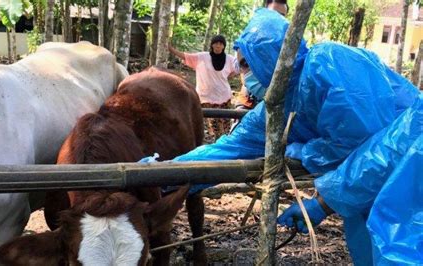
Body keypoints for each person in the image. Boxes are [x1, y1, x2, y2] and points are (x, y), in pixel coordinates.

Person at [171, 8, 422, 265]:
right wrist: (164, 172)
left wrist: (310, 166)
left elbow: (367, 147)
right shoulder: (275, 107)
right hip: (362, 192)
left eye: (247, 64)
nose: (245, 76)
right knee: (374, 250)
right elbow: (229, 149)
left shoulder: (329, 65)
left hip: (407, 176)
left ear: (269, 57)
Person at [169, 35, 239, 141]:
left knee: (225, 127)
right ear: (212, 45)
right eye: (216, 43)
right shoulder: (202, 57)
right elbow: (186, 56)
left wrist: (230, 76)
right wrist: (171, 49)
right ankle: (214, 147)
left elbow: (239, 68)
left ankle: (222, 148)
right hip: (206, 98)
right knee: (213, 127)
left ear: (224, 46)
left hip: (224, 97)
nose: (218, 46)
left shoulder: (229, 59)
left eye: (220, 44)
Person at [235, 0, 288, 111]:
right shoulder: (249, 39)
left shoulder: (290, 43)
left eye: (281, 16)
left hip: (282, 103)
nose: (276, 18)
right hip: (250, 98)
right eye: (272, 14)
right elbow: (243, 71)